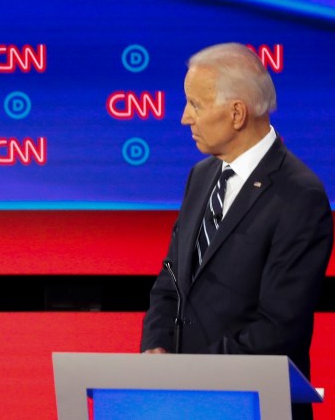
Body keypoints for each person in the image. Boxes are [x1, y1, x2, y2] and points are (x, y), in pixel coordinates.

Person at [141, 43, 332, 419]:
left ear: (237, 113)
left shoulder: (299, 196)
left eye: (195, 105)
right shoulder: (200, 177)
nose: (184, 118)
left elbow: (278, 329)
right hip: (182, 402)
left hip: (253, 405)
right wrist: (156, 349)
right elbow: (171, 283)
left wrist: (188, 371)